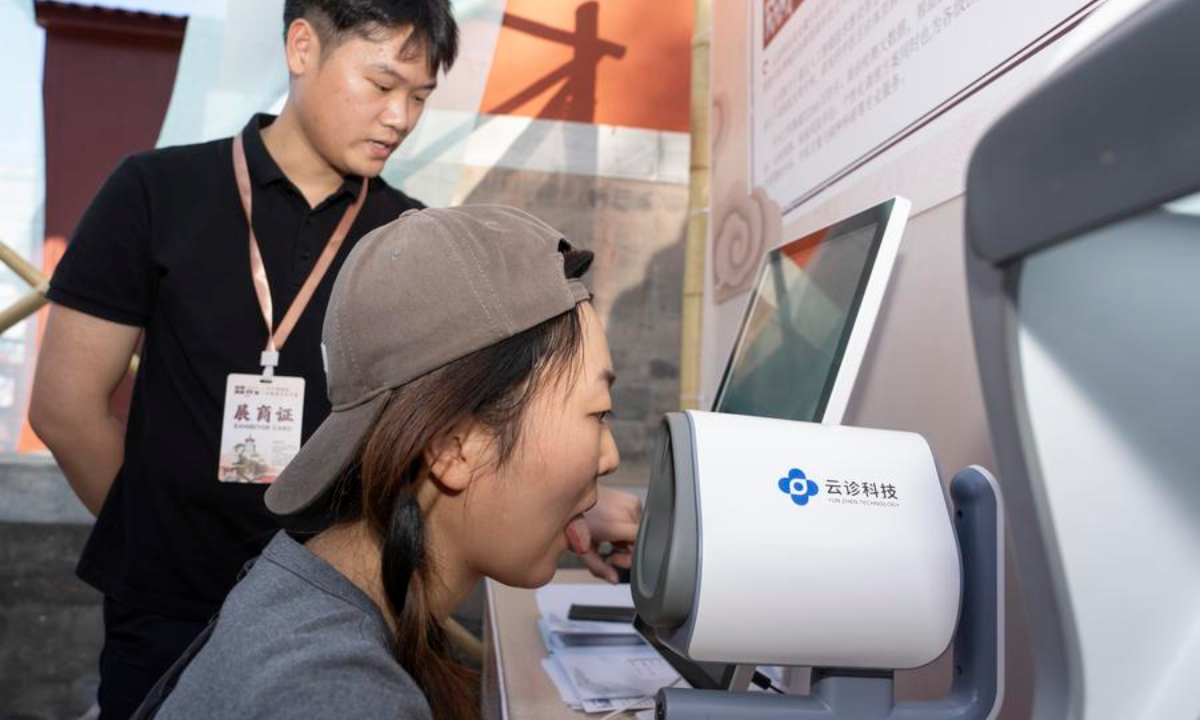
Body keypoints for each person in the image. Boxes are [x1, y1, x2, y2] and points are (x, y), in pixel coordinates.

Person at [30, 3, 469, 718]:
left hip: (334, 613)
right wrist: (159, 537)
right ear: (302, 47)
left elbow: (450, 420)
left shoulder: (409, 237)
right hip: (163, 612)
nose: (401, 117)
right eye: (382, 84)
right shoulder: (154, 191)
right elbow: (64, 407)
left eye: (420, 96)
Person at [135, 205, 626, 720]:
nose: (609, 456)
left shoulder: (301, 595)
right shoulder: (341, 700)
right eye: (598, 412)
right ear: (453, 447)